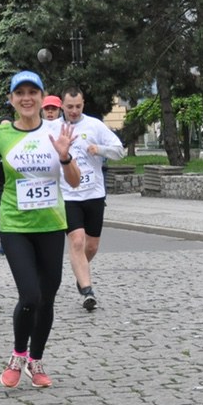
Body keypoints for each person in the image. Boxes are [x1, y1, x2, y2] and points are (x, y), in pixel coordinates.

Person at [0, 71, 80, 389]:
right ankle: (18, 355)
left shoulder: (57, 131)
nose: (27, 98)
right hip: (15, 225)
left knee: (47, 297)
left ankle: (37, 360)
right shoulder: (1, 134)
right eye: (20, 93)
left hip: (51, 224)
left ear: (42, 97)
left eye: (33, 92)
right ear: (11, 99)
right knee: (30, 295)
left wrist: (65, 157)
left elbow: (74, 181)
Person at [59, 87, 125, 311]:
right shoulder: (55, 128)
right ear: (62, 105)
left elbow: (119, 151)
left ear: (83, 104)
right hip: (68, 195)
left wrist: (100, 149)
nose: (74, 111)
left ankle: (81, 272)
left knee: (92, 246)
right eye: (70, 107)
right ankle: (87, 290)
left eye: (78, 106)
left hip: (94, 194)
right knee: (77, 241)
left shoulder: (95, 125)